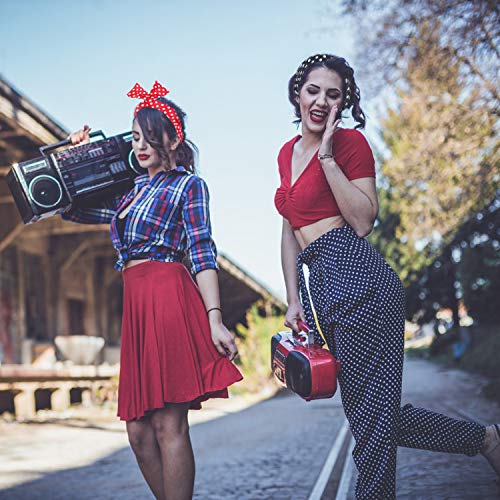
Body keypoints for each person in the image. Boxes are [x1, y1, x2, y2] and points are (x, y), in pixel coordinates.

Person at [274, 54, 500, 499]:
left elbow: (363, 221)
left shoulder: (351, 144)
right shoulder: (285, 153)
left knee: (373, 430)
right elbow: (288, 228)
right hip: (318, 284)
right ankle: (487, 440)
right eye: (313, 90)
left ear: (344, 102)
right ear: (298, 93)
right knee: (378, 420)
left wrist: (327, 160)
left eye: (333, 94)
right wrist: (292, 298)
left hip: (360, 279)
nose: (321, 101)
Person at [63, 80, 243, 500]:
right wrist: (75, 157)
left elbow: (202, 252)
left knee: (167, 424)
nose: (140, 145)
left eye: (149, 137)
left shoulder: (188, 186)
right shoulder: (130, 193)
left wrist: (215, 318)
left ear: (172, 139)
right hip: (137, 304)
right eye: (136, 137)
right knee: (138, 431)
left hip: (167, 297)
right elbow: (72, 206)